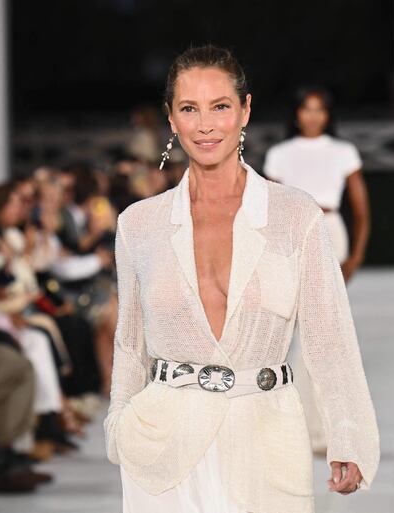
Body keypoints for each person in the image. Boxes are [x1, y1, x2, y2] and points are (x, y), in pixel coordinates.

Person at [103, 45, 379, 513]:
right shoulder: (139, 224)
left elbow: (328, 335)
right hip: (162, 443)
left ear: (246, 110)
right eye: (189, 108)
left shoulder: (295, 216)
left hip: (265, 433)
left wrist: (347, 434)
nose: (205, 125)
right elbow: (130, 343)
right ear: (171, 118)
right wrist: (119, 426)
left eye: (221, 107)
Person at [263, 87, 371, 455]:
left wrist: (355, 255)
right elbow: (269, 209)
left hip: (330, 230)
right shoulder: (280, 154)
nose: (312, 116)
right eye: (306, 109)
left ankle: (318, 432)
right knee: (298, 333)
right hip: (291, 236)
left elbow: (361, 211)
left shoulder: (343, 152)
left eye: (319, 110)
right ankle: (304, 429)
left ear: (328, 115)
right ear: (296, 114)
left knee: (321, 332)